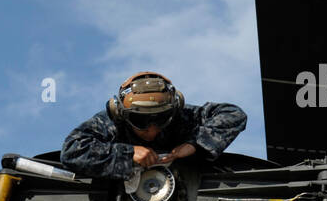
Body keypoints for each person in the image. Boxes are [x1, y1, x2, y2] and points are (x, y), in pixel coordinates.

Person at [61, 71, 247, 180]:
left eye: (160, 119)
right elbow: (72, 151)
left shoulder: (182, 116)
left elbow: (233, 114)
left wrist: (194, 144)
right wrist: (128, 153)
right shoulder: (112, 122)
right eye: (140, 121)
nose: (151, 130)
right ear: (122, 114)